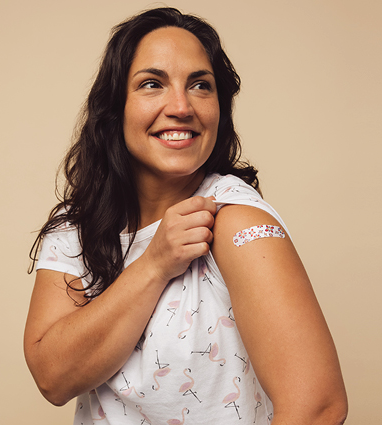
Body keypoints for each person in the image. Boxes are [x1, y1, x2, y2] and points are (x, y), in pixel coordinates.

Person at [24, 7, 347, 425]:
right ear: (115, 106)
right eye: (152, 84)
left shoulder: (236, 220)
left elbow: (318, 407)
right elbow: (53, 378)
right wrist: (155, 264)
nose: (180, 106)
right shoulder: (76, 227)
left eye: (200, 85)